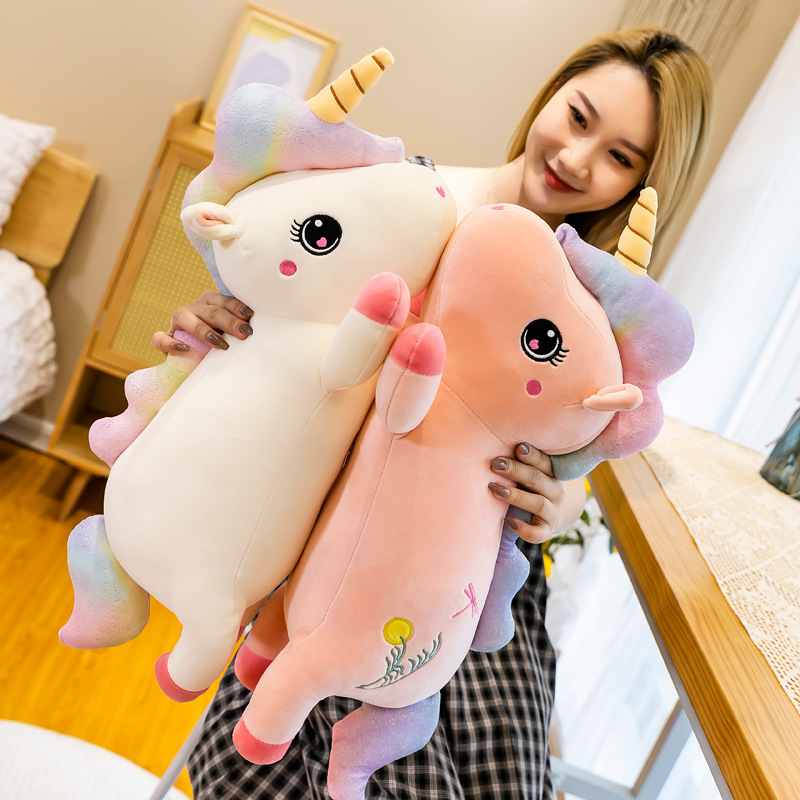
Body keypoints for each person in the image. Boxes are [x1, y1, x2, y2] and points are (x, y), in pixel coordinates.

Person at [154, 25, 712, 800]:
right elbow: (282, 308)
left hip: (472, 586)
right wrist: (217, 323)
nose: (578, 158)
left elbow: (581, 452)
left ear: (642, 183)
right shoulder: (404, 199)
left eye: (620, 156)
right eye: (579, 117)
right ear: (551, 93)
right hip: (339, 546)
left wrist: (557, 499)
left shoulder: (590, 304)